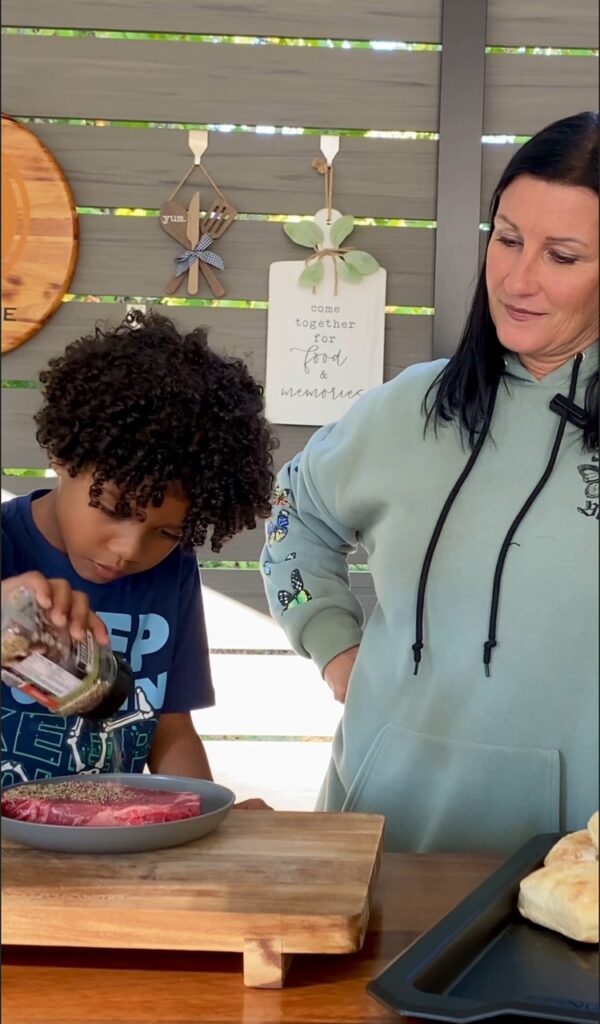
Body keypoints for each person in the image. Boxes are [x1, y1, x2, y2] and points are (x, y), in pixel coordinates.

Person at [260, 111, 599, 853]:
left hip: (574, 871)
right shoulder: (404, 408)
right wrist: (333, 646)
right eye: (507, 239)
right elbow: (291, 515)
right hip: (376, 845)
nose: (518, 279)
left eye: (562, 256)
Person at [1, 310, 276, 803]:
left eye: (167, 531)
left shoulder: (172, 571)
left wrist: (204, 815)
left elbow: (170, 727)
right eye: (114, 508)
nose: (129, 550)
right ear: (64, 455)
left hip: (111, 834)